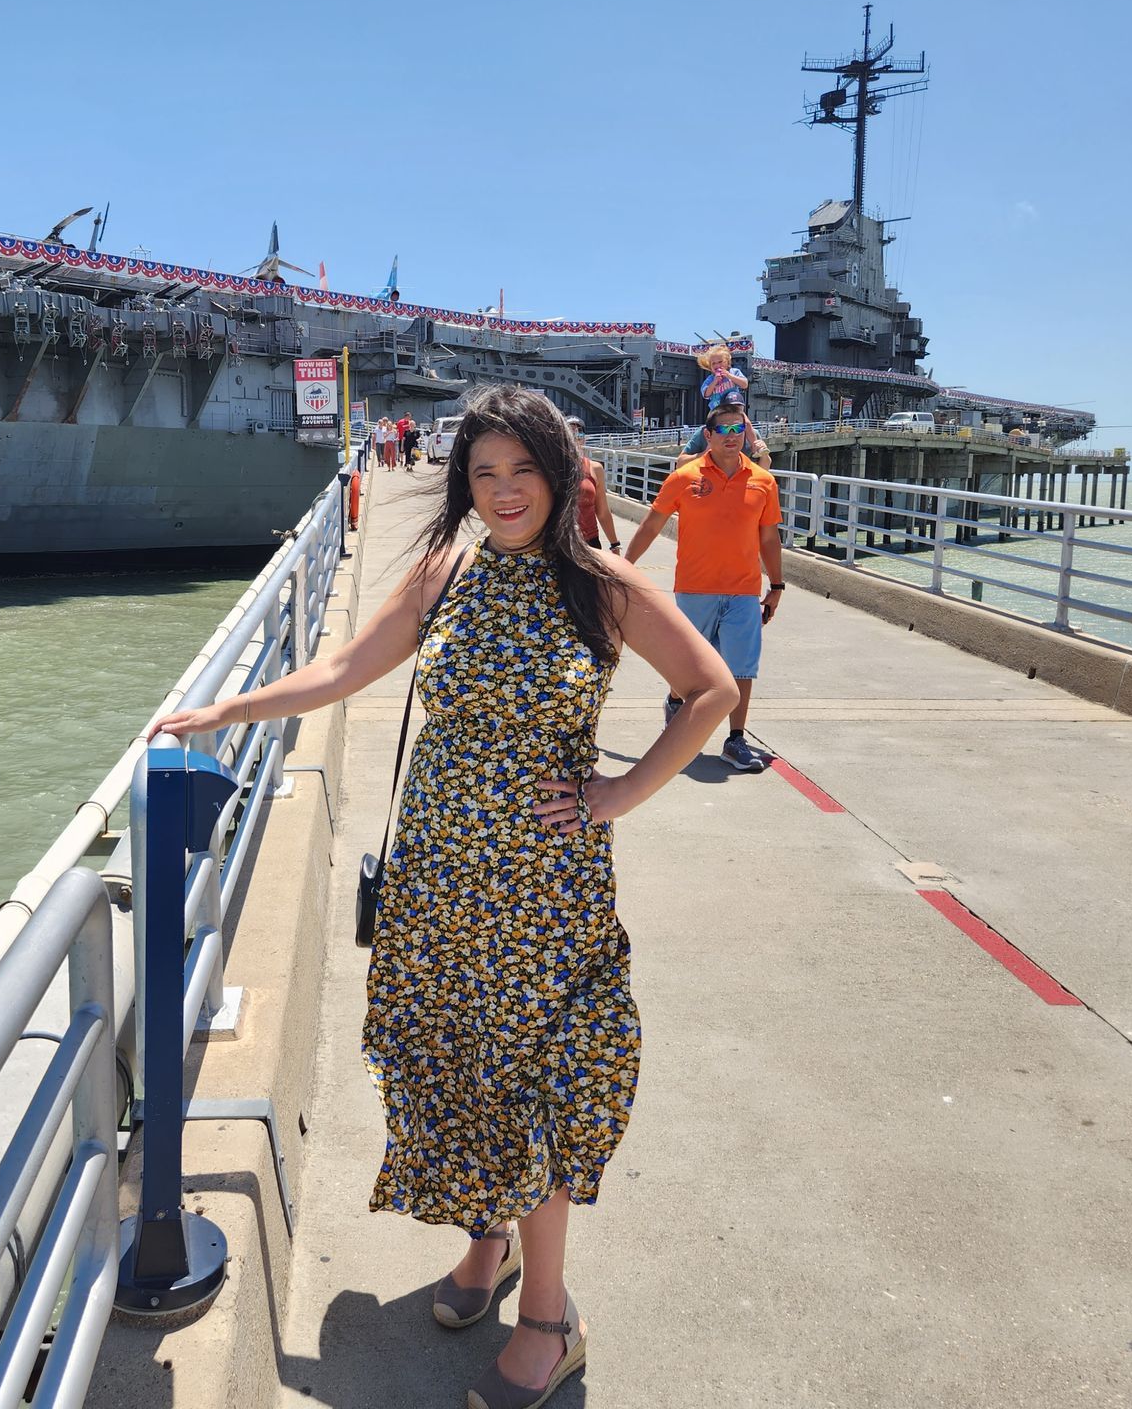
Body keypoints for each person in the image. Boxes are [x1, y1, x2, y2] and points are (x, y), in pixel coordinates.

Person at [150, 386, 736, 1408]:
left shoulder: (601, 584)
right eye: (484, 474)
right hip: (438, 877)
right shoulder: (445, 574)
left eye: (523, 471)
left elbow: (712, 690)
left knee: (538, 1081)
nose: (506, 493)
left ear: (560, 474)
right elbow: (339, 667)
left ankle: (551, 1321)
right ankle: (489, 1245)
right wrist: (222, 708)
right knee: (459, 1064)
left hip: (544, 891)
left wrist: (621, 792)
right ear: (465, 485)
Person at [624, 399, 785, 774]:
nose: (732, 436)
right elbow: (651, 524)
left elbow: (769, 537)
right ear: (708, 436)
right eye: (723, 430)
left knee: (741, 668)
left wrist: (776, 584)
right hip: (695, 588)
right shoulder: (684, 477)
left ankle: (736, 739)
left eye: (738, 429)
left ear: (746, 434)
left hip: (744, 590)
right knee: (688, 667)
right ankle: (676, 703)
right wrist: (623, 566)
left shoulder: (763, 481)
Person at [565, 416, 621, 552]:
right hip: (562, 542)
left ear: (584, 438)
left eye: (579, 433)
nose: (574, 437)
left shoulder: (595, 468)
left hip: (590, 542)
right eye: (569, 433)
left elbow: (602, 512)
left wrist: (614, 544)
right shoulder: (552, 468)